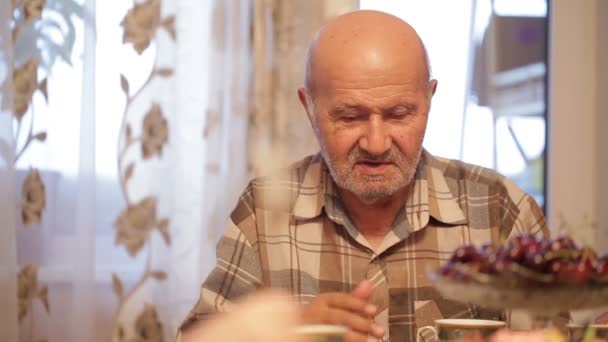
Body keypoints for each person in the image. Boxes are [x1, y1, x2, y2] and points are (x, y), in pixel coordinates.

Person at [179, 9, 548, 342]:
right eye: (350, 117)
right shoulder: (263, 211)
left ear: (430, 101)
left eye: (399, 114)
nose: (375, 143)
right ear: (308, 107)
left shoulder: (501, 209)